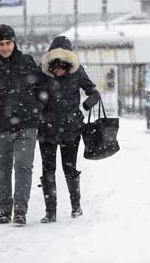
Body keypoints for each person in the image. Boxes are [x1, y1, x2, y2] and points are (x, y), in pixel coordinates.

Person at [0, 24, 45, 226]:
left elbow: (40, 87)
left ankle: (20, 210)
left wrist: (39, 108)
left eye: (8, 43)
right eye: (1, 44)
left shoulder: (27, 61)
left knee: (23, 167)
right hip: (0, 125)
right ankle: (5, 209)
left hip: (27, 124)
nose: (5, 48)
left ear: (14, 43)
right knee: (3, 169)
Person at [37, 36, 100, 223]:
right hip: (46, 130)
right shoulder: (42, 75)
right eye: (55, 67)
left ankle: (76, 206)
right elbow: (31, 95)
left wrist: (88, 104)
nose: (58, 71)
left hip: (71, 130)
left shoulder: (78, 72)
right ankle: (50, 212)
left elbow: (94, 92)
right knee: (48, 170)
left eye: (62, 66)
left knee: (69, 168)